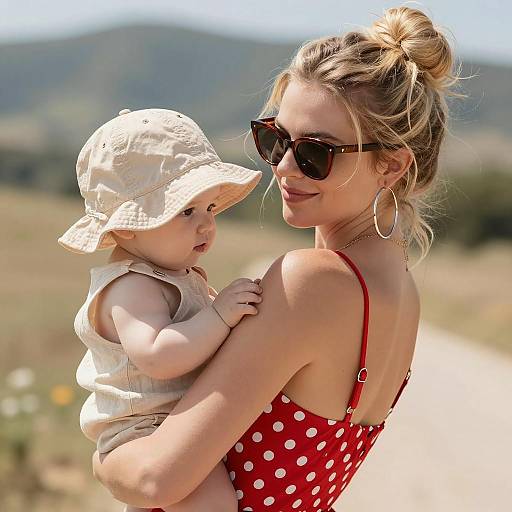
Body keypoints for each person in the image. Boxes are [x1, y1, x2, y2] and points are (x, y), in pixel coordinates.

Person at [91, 7, 460, 511]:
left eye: (316, 152)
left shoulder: (310, 282)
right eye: (275, 138)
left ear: (392, 164)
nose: (284, 167)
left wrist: (104, 458)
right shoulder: (401, 294)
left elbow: (156, 478)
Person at [57, 107, 263, 511]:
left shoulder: (171, 273)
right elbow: (158, 355)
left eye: (210, 209)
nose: (206, 226)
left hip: (175, 421)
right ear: (126, 226)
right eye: (186, 212)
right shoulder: (131, 286)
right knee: (213, 503)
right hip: (143, 433)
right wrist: (219, 316)